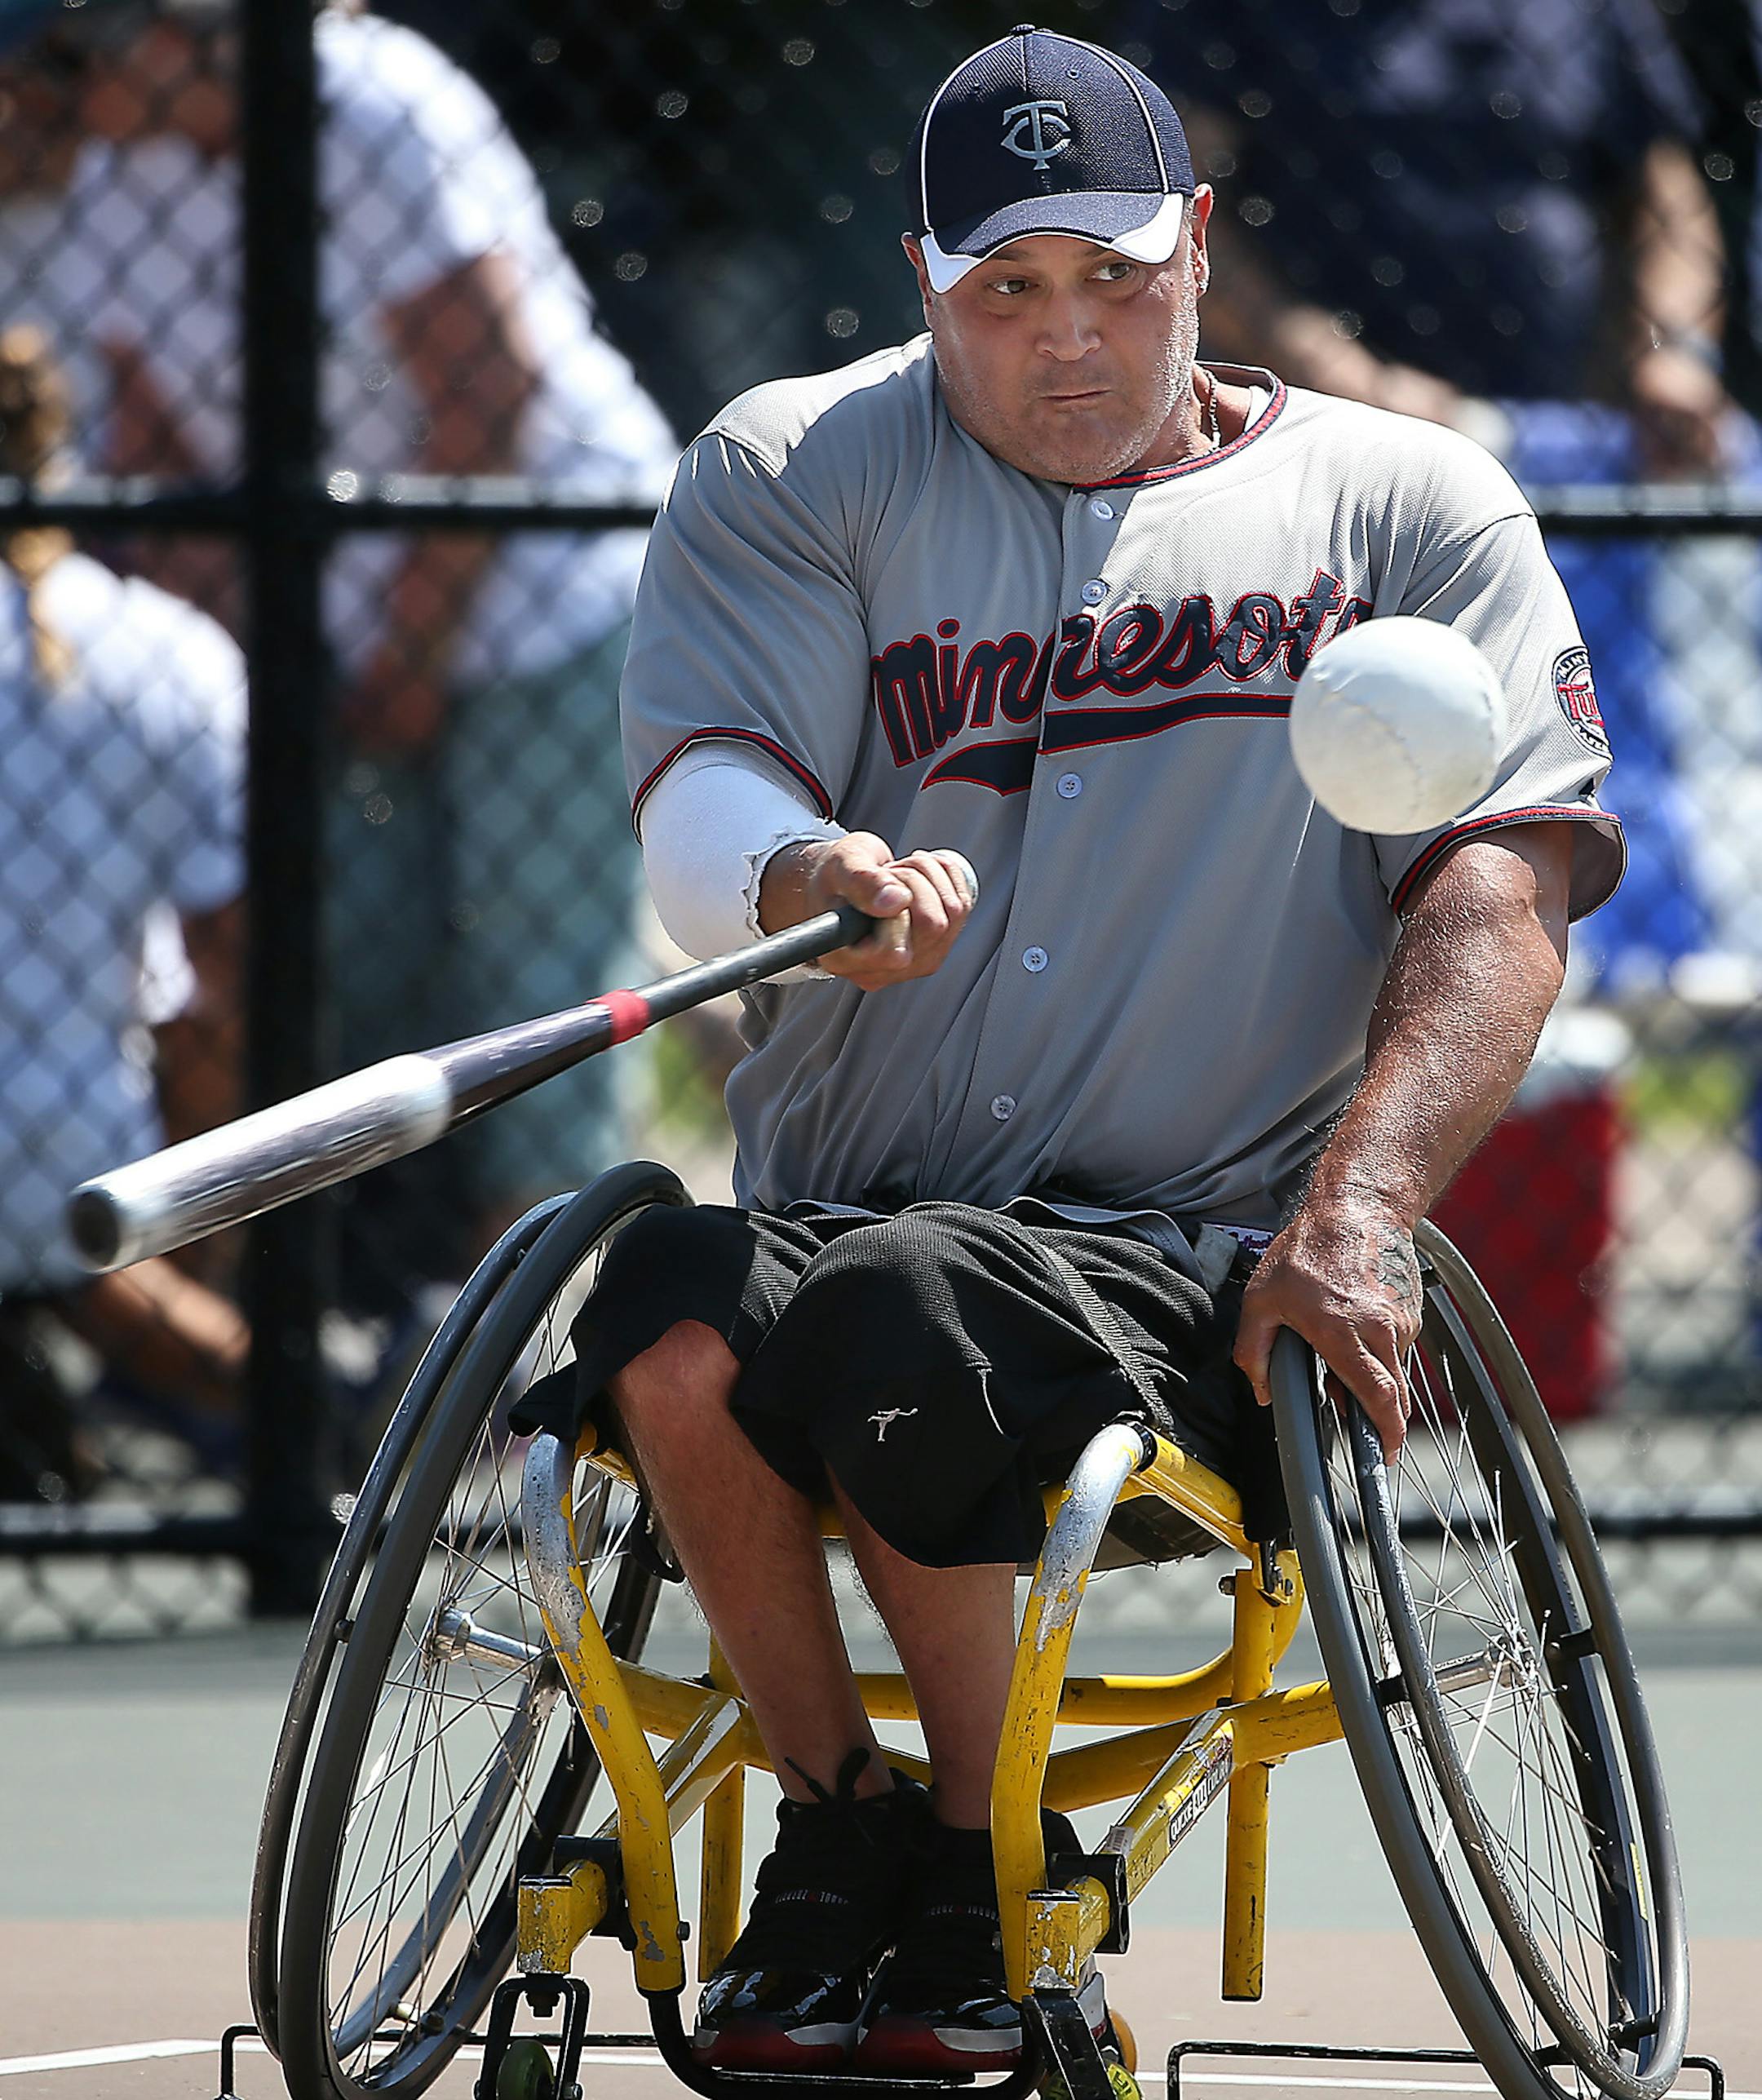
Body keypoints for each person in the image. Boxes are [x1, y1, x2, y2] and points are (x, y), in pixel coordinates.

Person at [509, 24, 1623, 2079]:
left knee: (899, 1308)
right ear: (923, 283)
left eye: (1115, 277)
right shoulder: (790, 469)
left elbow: (1500, 890)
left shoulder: (1400, 504)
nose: (1070, 340)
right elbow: (699, 802)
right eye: (1006, 292)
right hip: (850, 1198)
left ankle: (976, 1848)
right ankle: (845, 1829)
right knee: (666, 1307)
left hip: (1193, 1250)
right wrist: (802, 862)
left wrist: (1361, 1210)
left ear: (1198, 245)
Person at [46, 0, 676, 1287]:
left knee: (529, 985)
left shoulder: (375, 105)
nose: (56, 92)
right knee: (348, 975)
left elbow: (488, 397)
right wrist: (253, 656)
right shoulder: (118, 173)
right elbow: (155, 445)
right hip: (340, 631)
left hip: (540, 590)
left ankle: (550, 1382)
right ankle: (364, 1347)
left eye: (75, 54)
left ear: (174, 43)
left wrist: (411, 652)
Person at [0, 325, 248, 1500]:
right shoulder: (174, 652)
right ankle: (313, 1401)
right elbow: (212, 985)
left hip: (76, 1151)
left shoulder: (165, 651)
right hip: (95, 1139)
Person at [1134, 0, 1736, 478]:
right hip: (1320, 446)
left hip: (1567, 451)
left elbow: (1667, 193)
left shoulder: (1589, 11)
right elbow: (1176, 206)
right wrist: (1336, 372)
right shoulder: (1222, 10)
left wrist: (1677, 353)